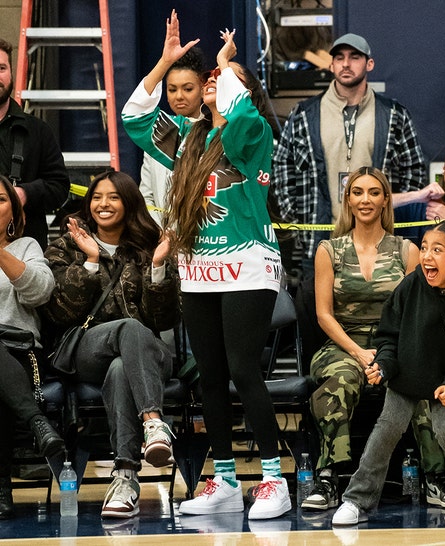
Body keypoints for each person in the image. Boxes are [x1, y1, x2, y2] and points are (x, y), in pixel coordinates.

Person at [122, 11, 289, 519]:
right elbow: (134, 118)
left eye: (221, 81)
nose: (213, 84)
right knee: (211, 375)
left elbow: (237, 125)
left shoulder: (253, 132)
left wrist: (227, 65)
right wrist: (163, 63)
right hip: (198, 270)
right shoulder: (187, 141)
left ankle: (275, 480)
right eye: (210, 80)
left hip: (248, 265)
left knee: (243, 369)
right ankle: (223, 479)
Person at [303, 166, 445, 510]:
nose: (365, 199)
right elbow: (324, 314)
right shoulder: (329, 249)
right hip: (343, 342)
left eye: (373, 192)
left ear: (386, 199)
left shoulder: (408, 250)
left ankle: (436, 477)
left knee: (416, 380)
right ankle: (329, 477)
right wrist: (358, 353)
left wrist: (390, 356)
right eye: (357, 192)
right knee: (338, 381)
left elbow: (419, 314)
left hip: (397, 343)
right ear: (348, 199)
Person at [331, 222, 445, 526]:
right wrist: (384, 365)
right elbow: (388, 336)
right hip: (406, 376)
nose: (427, 256)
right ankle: (356, 500)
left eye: (437, 249)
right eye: (423, 248)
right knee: (387, 429)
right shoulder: (410, 286)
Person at [43, 170, 180, 519]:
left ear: (129, 202)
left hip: (145, 356)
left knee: (123, 364)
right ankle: (153, 422)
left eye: (113, 197)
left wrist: (159, 266)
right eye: (97, 197)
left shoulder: (149, 247)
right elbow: (60, 312)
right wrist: (89, 261)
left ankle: (125, 478)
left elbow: (163, 320)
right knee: (127, 330)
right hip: (88, 351)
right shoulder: (66, 246)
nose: (103, 204)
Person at [271, 33, 439, 274]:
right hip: (320, 239)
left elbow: (413, 169)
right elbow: (281, 166)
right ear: (331, 65)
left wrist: (391, 213)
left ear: (369, 64)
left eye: (354, 57)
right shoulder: (305, 114)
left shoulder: (393, 114)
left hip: (380, 243)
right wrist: (296, 218)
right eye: (339, 58)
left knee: (378, 311)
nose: (346, 64)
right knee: (319, 310)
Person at [0, 175, 64, 519]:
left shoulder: (27, 247)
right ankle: (37, 422)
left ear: (14, 211)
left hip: (19, 350)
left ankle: (1, 488)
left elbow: (40, 292)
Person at [0, 38, 70, 249]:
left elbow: (60, 188)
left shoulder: (38, 131)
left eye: (1, 68)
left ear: (11, 73)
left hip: (25, 254)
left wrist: (25, 193)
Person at [139, 47, 205, 226]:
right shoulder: (158, 132)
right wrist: (160, 232)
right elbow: (146, 195)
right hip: (163, 238)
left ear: (202, 89)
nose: (179, 96)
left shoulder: (214, 131)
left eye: (188, 88)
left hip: (207, 239)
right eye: (172, 89)